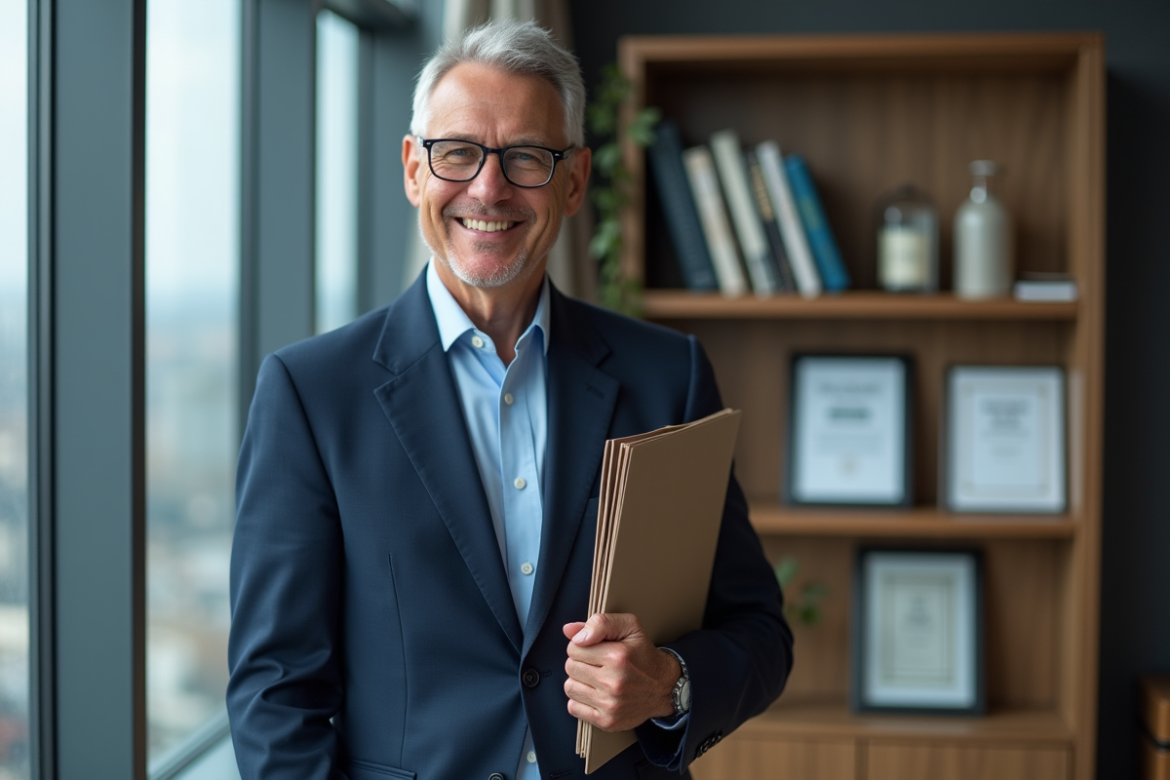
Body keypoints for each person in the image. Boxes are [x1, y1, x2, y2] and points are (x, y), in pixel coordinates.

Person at [227, 20, 792, 780]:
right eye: (457, 152)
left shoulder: (670, 375)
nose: (488, 189)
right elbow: (274, 692)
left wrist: (668, 683)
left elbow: (759, 632)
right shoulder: (310, 394)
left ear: (574, 180)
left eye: (526, 156)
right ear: (413, 170)